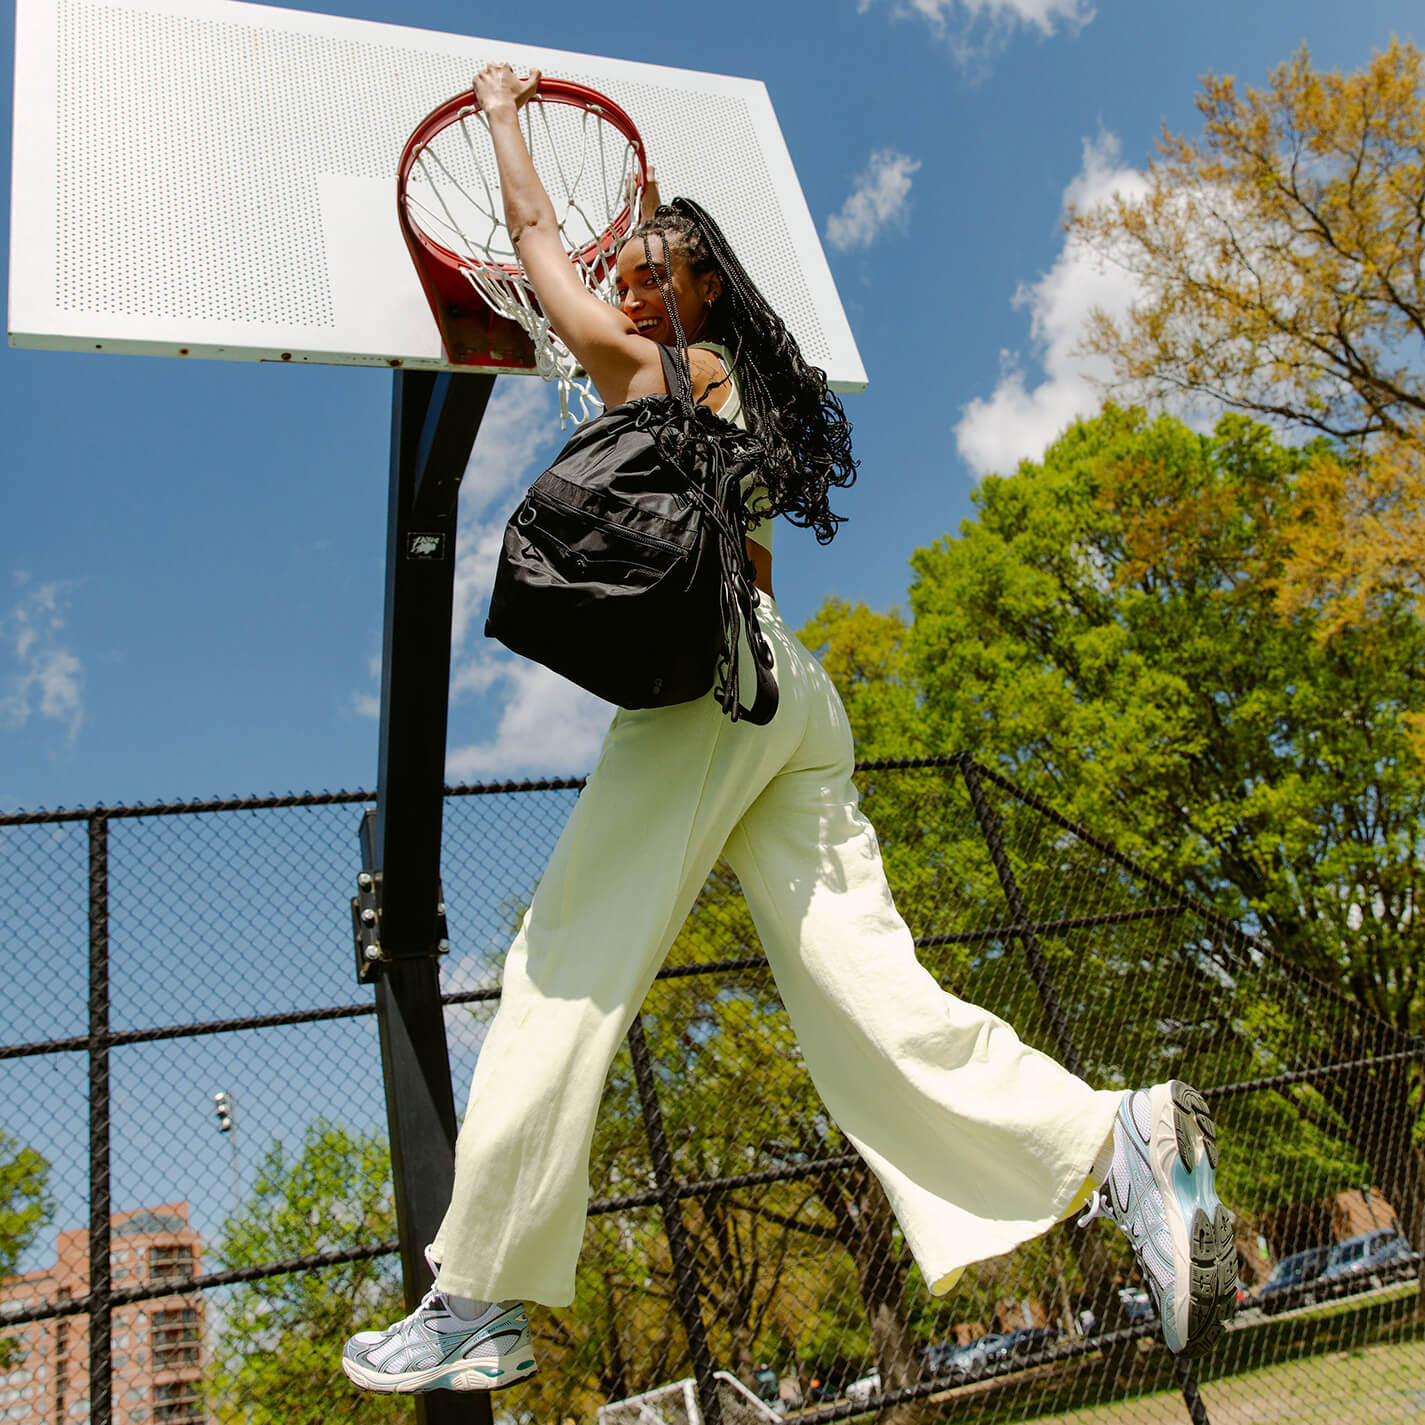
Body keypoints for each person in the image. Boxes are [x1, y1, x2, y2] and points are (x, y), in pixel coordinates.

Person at [340, 63, 1236, 1397]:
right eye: (623, 269)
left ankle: (476, 1293)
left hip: (720, 692)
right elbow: (738, 574)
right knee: (868, 1002)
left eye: (649, 268)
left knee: (561, 967)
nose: (623, 283)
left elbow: (532, 243)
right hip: (784, 694)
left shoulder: (660, 364)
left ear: (699, 292)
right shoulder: (717, 392)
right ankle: (1114, 1141)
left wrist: (499, 118)